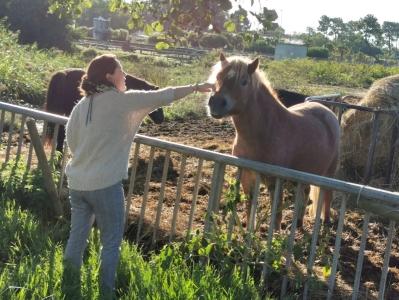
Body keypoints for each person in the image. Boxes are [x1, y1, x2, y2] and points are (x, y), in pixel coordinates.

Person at [62, 53, 213, 298]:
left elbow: (72, 141)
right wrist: (195, 87)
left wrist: (89, 158)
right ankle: (106, 294)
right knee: (110, 243)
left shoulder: (82, 106)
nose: (125, 76)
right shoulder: (120, 101)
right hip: (105, 185)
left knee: (76, 239)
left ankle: (69, 288)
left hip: (78, 184)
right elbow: (163, 95)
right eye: (121, 71)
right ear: (109, 76)